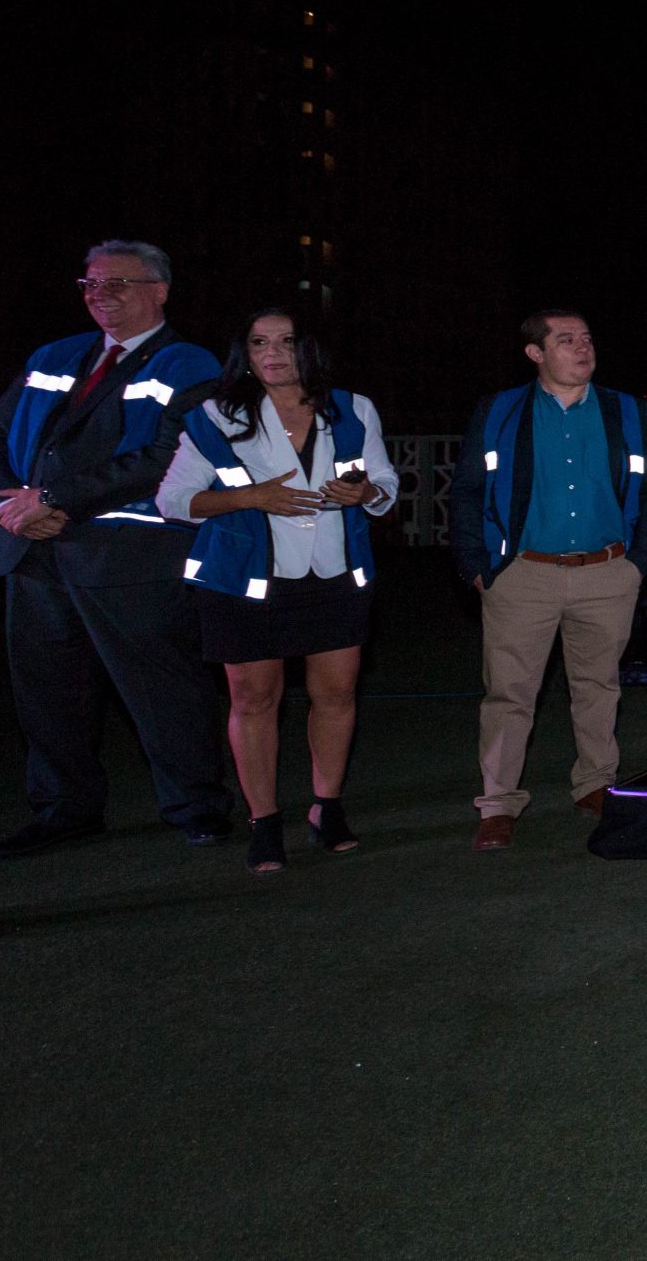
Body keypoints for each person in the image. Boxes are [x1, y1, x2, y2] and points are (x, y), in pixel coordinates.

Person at [0, 240, 229, 861]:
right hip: (34, 555)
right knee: (47, 694)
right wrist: (4, 510)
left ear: (160, 291)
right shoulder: (53, 356)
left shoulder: (188, 363)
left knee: (162, 691)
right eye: (90, 284)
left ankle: (197, 806)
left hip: (129, 558)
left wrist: (52, 499)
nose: (100, 295)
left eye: (118, 283)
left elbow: (166, 456)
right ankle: (63, 810)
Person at [156, 309, 396, 873]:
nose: (273, 353)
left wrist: (364, 493)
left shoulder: (354, 409)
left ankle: (326, 806)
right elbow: (172, 501)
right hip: (243, 580)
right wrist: (249, 497)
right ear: (244, 352)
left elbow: (384, 482)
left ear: (309, 349)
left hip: (335, 575)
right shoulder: (214, 416)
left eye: (287, 342)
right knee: (253, 700)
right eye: (259, 342)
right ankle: (263, 821)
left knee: (337, 694)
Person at [448, 310, 647, 851]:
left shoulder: (626, 409)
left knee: (599, 687)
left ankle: (596, 784)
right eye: (566, 340)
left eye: (587, 338)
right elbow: (467, 490)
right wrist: (477, 567)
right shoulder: (499, 410)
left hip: (608, 572)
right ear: (535, 353)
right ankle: (498, 803)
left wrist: (638, 562)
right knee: (509, 695)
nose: (582, 347)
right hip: (523, 576)